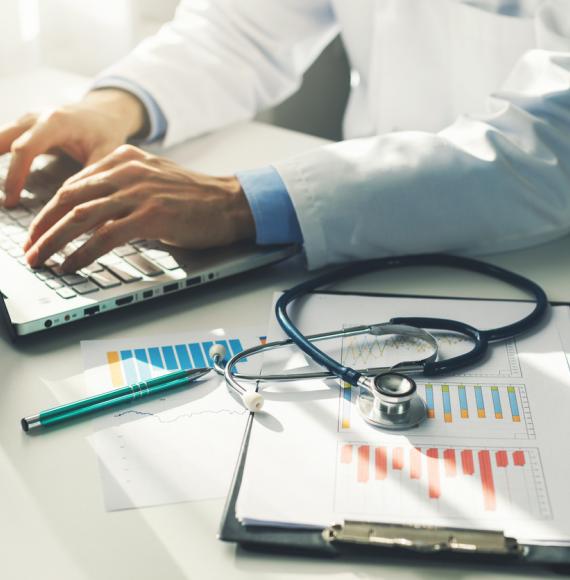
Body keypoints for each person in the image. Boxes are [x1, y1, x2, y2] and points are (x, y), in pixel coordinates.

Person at [1, 0, 569, 274]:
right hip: (352, 246)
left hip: (538, 261)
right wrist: (115, 107)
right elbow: (242, 28)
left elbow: (549, 146)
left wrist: (240, 201)